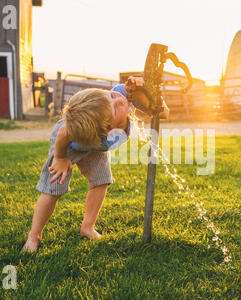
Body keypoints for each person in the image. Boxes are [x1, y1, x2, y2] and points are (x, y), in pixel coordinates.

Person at [21, 77, 169, 253]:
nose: (118, 98)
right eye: (114, 107)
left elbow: (162, 112)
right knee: (53, 186)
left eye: (110, 95)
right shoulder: (73, 130)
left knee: (101, 180)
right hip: (67, 145)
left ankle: (87, 227)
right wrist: (60, 158)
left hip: (96, 145)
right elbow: (63, 132)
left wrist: (147, 90)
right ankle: (34, 236)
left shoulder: (122, 95)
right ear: (107, 129)